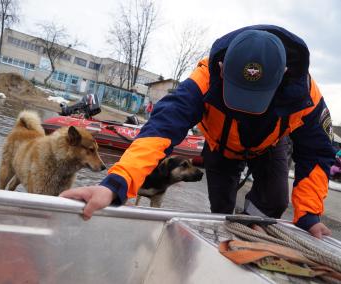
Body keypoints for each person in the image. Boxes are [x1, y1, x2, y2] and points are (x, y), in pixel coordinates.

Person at [60, 25, 336, 239]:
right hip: (220, 148)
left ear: (284, 75)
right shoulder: (202, 80)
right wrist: (114, 185)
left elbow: (317, 154)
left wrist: (310, 215)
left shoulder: (305, 96)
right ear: (221, 68)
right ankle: (229, 237)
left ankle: (253, 228)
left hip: (268, 146)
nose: (246, 110)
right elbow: (161, 129)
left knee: (275, 200)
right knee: (221, 211)